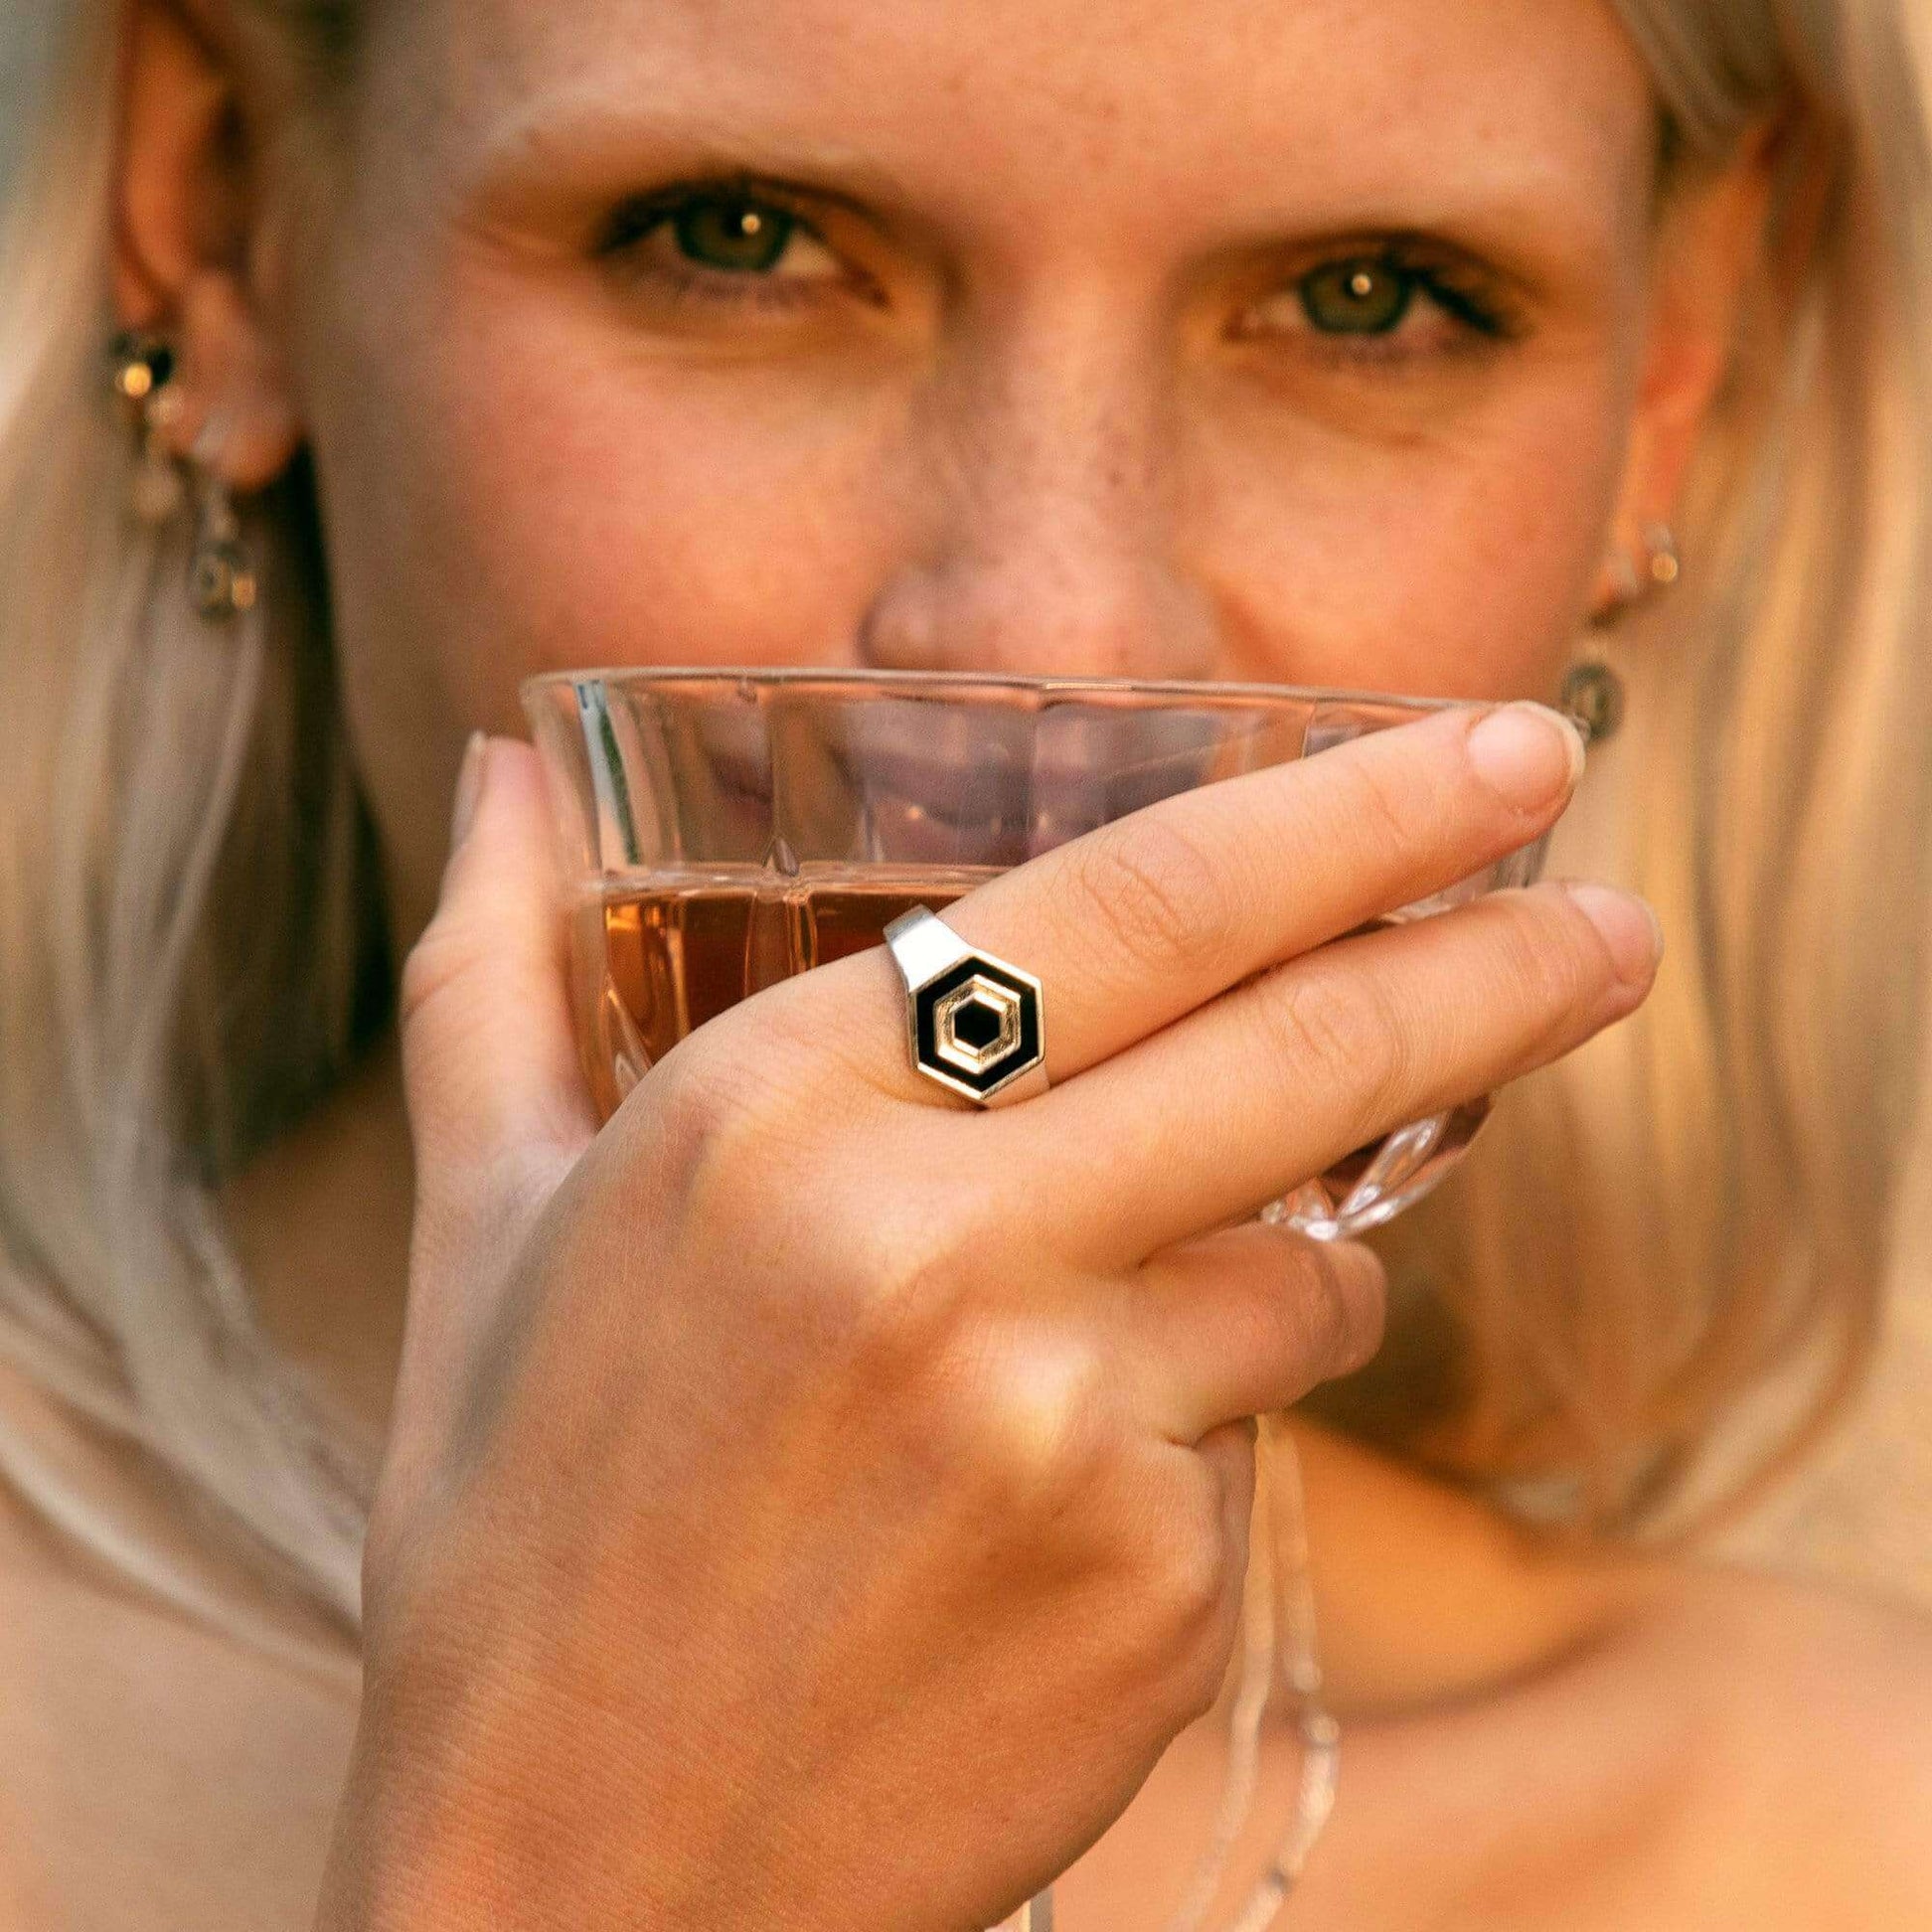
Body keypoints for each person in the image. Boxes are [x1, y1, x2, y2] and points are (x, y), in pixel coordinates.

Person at [2, 0, 1930, 1924]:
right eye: (736, 238)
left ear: (1681, 365)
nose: (1053, 623)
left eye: (1367, 299)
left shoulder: (1846, 1831)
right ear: (230, 219)